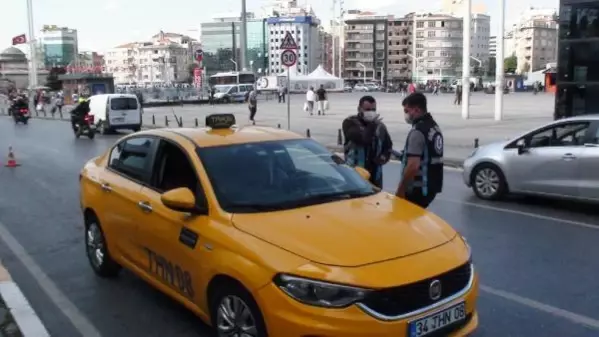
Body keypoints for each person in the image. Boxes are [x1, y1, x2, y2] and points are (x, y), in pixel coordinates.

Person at [395, 93, 444, 209]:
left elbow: (413, 166)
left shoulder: (417, 131)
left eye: (407, 111)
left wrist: (400, 190)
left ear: (416, 110)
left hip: (418, 189)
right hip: (431, 187)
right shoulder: (434, 127)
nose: (406, 115)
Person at [342, 95, 393, 188]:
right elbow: (363, 139)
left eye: (373, 110)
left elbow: (388, 146)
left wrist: (383, 158)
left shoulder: (380, 126)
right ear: (359, 109)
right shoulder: (349, 123)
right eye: (367, 109)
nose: (371, 112)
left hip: (375, 176)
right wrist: (372, 125)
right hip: (355, 175)